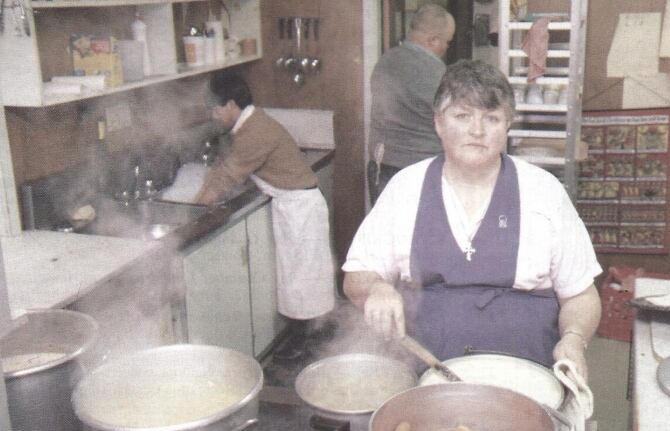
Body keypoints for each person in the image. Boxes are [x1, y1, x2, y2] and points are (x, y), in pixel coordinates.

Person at [343, 60, 602, 379]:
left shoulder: (543, 191)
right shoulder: (405, 188)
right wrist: (377, 289)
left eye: (491, 118)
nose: (477, 131)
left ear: (508, 124)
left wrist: (574, 340)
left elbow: (580, 294)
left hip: (529, 377)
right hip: (426, 373)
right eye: (462, 116)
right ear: (439, 122)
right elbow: (356, 277)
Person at [195, 71, 335, 359]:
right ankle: (314, 336)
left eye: (215, 108)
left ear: (231, 105)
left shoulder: (254, 132)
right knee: (304, 275)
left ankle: (308, 343)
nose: (213, 115)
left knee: (301, 278)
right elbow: (225, 167)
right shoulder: (252, 123)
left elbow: (227, 176)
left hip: (299, 209)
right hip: (297, 205)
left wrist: (196, 207)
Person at [367, 3, 456, 205]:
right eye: (447, 41)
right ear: (433, 40)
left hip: (382, 165)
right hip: (421, 168)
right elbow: (452, 123)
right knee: (421, 233)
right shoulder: (437, 72)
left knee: (386, 231)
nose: (447, 47)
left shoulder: (385, 61)